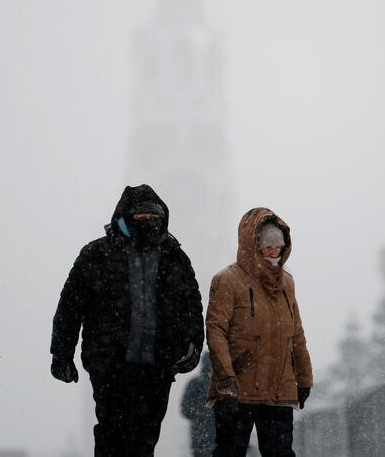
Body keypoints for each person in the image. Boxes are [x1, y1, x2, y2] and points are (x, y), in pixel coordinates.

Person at [50, 184, 204, 456]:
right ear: (124, 217)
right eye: (140, 217)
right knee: (111, 436)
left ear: (163, 219)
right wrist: (61, 354)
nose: (148, 223)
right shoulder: (96, 254)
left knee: (146, 439)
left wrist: (193, 345)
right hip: (110, 367)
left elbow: (191, 306)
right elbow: (70, 308)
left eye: (153, 218)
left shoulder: (174, 257)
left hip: (157, 367)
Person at [205, 208, 313, 457]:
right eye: (266, 245)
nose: (274, 251)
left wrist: (304, 380)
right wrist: (225, 376)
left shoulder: (287, 283)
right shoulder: (227, 280)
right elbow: (216, 330)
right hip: (236, 392)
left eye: (279, 245)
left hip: (278, 391)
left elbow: (296, 335)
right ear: (251, 245)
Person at [181, 352, 216, 457]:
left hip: (200, 442)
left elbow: (185, 409)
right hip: (214, 442)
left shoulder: (195, 383)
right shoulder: (225, 383)